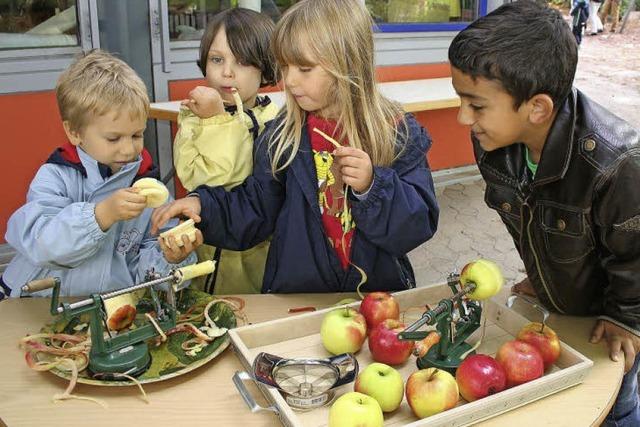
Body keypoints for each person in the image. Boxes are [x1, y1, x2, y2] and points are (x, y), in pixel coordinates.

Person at [152, 0, 439, 294]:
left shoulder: (395, 133)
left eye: (304, 68)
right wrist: (205, 207)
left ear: (348, 63)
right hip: (299, 295)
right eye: (285, 66)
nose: (289, 80)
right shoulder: (282, 137)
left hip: (377, 296)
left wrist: (373, 186)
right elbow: (256, 209)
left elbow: (417, 225)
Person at [448, 2, 640, 425]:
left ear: (536, 108)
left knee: (615, 404)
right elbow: (530, 215)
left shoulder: (616, 164)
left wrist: (627, 319)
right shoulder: (495, 144)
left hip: (612, 318)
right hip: (561, 306)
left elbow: (635, 256)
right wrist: (542, 271)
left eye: (476, 106)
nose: (464, 118)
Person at [0, 50, 200, 300]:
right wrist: (100, 215)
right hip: (38, 302)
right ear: (74, 132)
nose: (129, 149)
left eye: (137, 135)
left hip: (107, 310)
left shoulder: (150, 185)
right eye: (113, 138)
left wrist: (172, 257)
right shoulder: (56, 176)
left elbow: (147, 273)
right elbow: (42, 244)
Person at [173, 8, 278, 295]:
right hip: (208, 251)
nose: (227, 72)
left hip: (260, 254)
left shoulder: (274, 120)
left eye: (243, 62)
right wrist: (215, 120)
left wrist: (218, 121)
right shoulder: (194, 117)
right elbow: (205, 181)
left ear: (265, 68)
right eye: (217, 59)